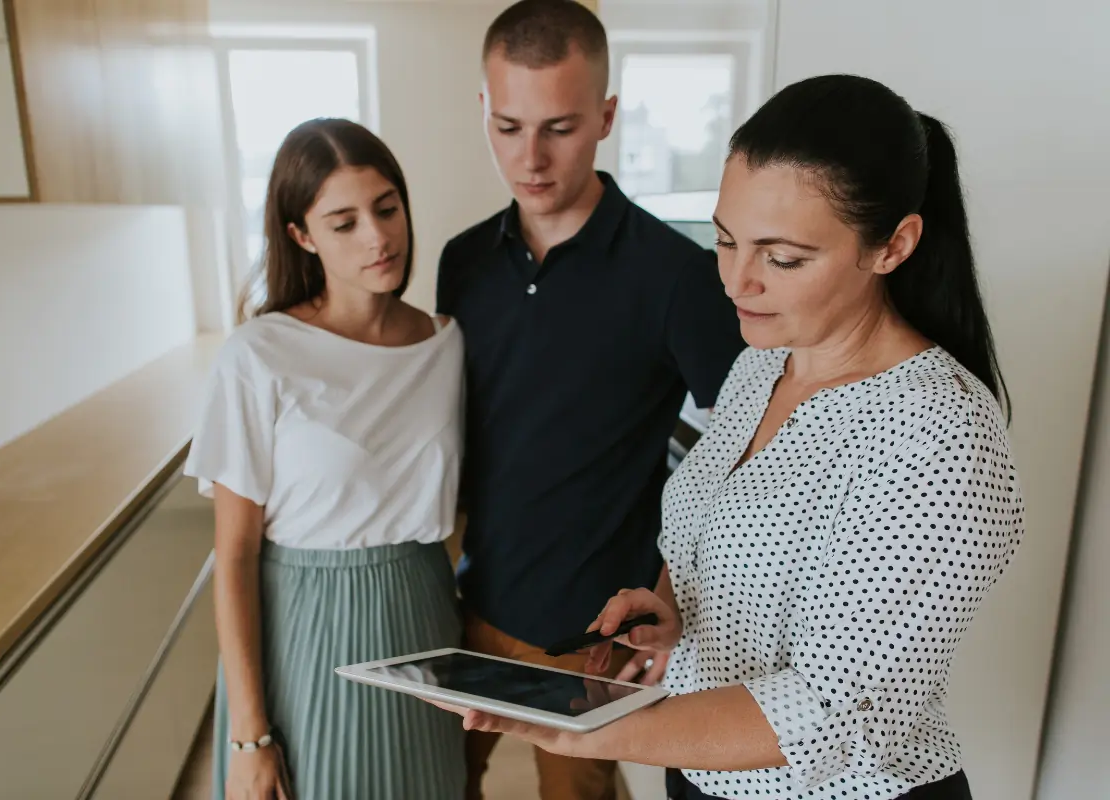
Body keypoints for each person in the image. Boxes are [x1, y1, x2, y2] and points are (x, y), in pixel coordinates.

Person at [428, 74, 1025, 800]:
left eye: (783, 258)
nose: (738, 281)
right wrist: (670, 612)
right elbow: (726, 546)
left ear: (892, 245)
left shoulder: (936, 434)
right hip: (706, 779)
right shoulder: (759, 368)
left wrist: (575, 727)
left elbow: (834, 713)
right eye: (725, 241)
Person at [435, 1, 746, 798]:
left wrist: (677, 601)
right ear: (482, 111)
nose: (530, 158)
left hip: (588, 634)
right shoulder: (462, 261)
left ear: (606, 116)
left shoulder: (677, 278)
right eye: (507, 127)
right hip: (463, 607)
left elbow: (747, 452)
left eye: (560, 128)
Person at [185, 118, 466, 800]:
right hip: (308, 625)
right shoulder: (258, 356)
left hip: (424, 613)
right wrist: (249, 736)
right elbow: (236, 554)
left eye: (387, 207)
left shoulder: (445, 343)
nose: (378, 236)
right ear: (301, 236)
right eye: (343, 222)